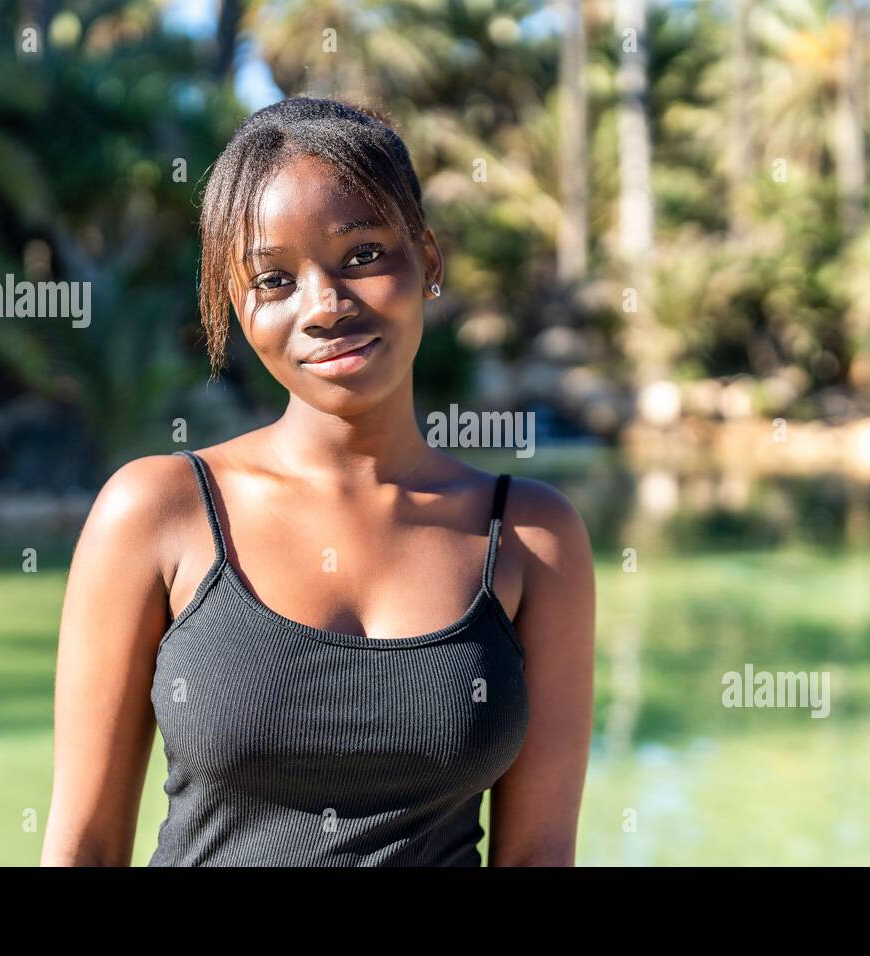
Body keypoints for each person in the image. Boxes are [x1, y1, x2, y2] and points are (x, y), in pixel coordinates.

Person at [39, 97, 596, 866]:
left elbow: (538, 857)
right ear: (240, 307)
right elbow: (85, 849)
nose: (325, 306)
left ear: (427, 261)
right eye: (273, 279)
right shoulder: (158, 512)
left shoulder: (532, 534)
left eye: (363, 254)